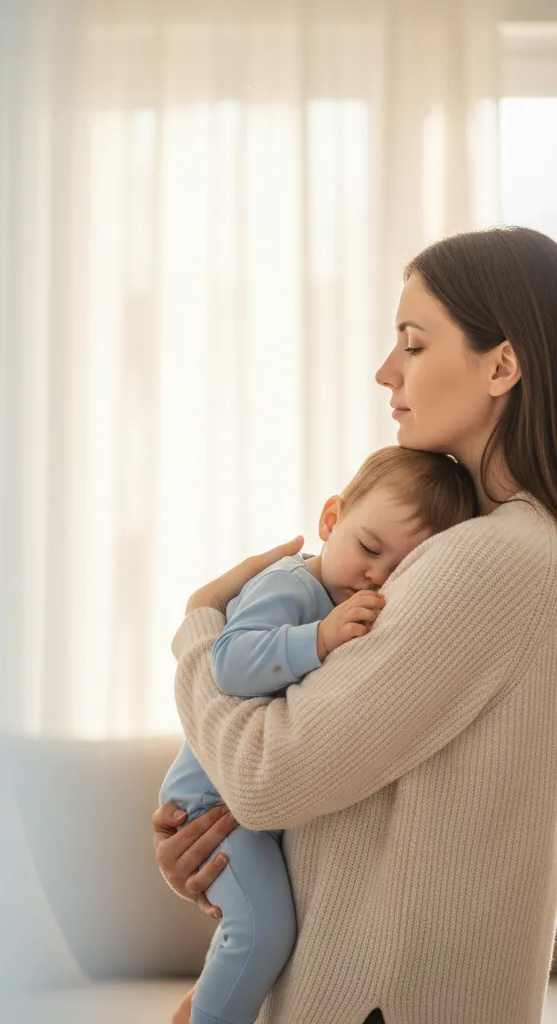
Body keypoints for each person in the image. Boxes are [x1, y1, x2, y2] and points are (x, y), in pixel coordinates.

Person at [152, 226, 557, 1024]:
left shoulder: (496, 560)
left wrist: (199, 630)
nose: (385, 371)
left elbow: (270, 777)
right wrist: (225, 852)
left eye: (414, 342)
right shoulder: (484, 548)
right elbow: (351, 787)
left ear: (502, 366)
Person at [158, 446, 479, 1024]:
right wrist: (319, 639)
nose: (373, 577)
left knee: (258, 926)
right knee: (260, 931)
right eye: (368, 549)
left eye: (397, 570)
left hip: (250, 804)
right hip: (210, 802)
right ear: (330, 520)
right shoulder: (291, 585)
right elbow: (228, 664)